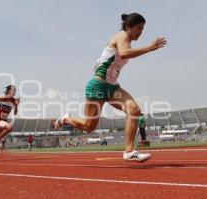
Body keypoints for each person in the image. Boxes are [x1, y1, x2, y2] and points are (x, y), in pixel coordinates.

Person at [54, 13, 166, 162]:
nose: (141, 32)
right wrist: (149, 48)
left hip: (112, 88)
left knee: (134, 110)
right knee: (89, 127)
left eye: (143, 29)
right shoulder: (121, 35)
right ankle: (65, 120)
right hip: (98, 87)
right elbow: (124, 53)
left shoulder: (127, 41)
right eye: (139, 28)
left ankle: (129, 151)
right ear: (128, 26)